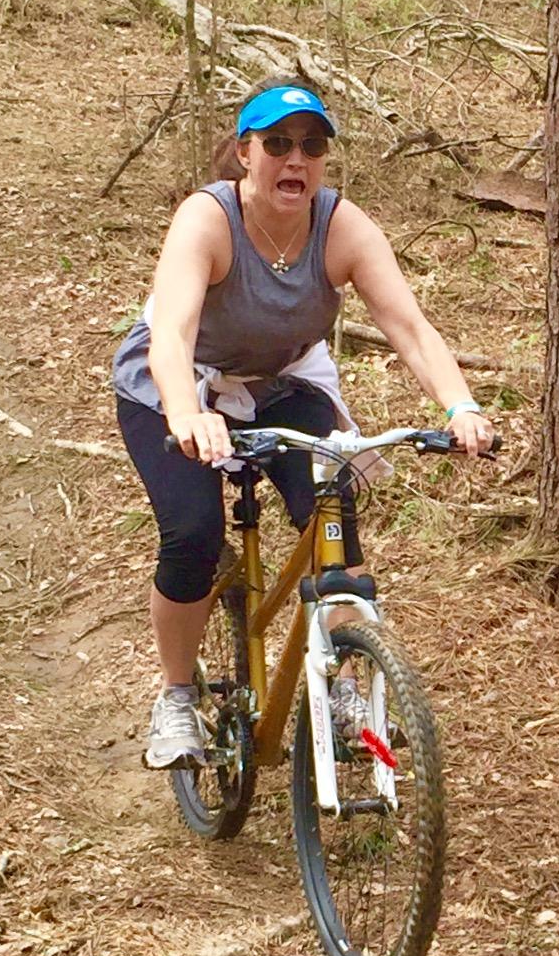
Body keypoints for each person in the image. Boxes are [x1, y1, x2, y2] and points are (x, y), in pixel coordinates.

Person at [113, 76, 496, 769]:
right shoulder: (207, 219)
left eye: (312, 145)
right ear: (243, 151)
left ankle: (345, 688)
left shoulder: (339, 226)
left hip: (284, 385)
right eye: (278, 144)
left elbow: (406, 325)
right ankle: (173, 697)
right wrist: (186, 416)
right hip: (175, 385)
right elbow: (168, 333)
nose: (296, 159)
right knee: (193, 534)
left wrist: (458, 404)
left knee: (331, 515)